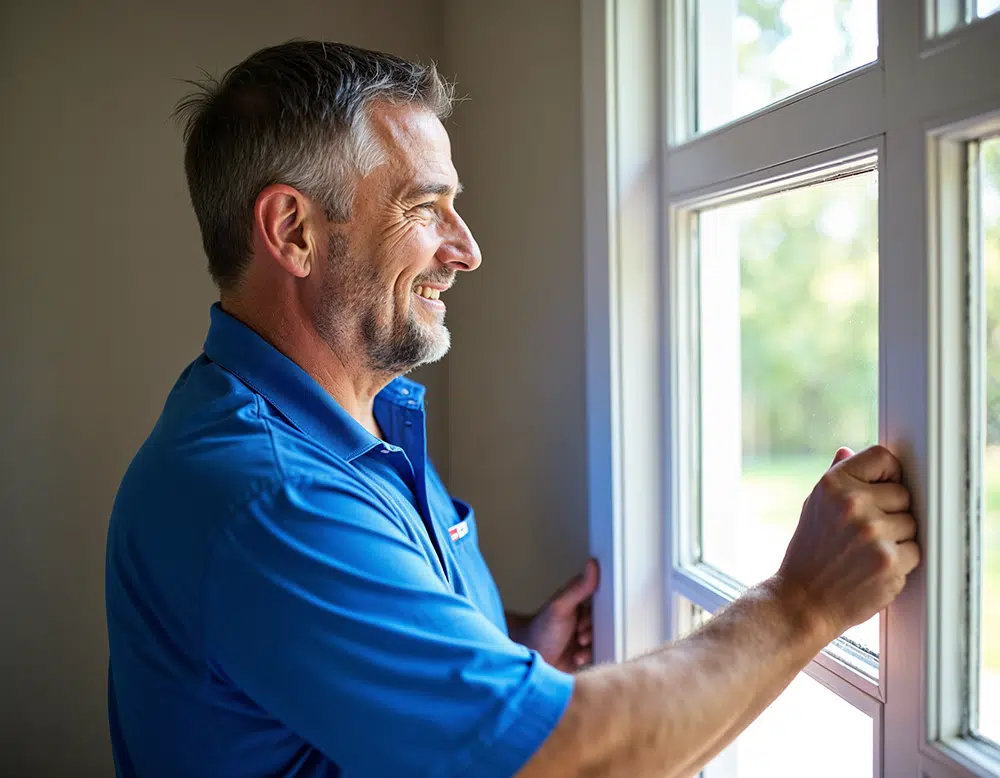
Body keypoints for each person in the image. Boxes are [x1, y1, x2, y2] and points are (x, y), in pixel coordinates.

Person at [105, 40, 920, 778]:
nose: (466, 249)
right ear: (294, 231)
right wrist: (804, 600)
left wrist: (494, 657)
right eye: (425, 208)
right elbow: (563, 765)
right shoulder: (268, 494)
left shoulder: (354, 422)